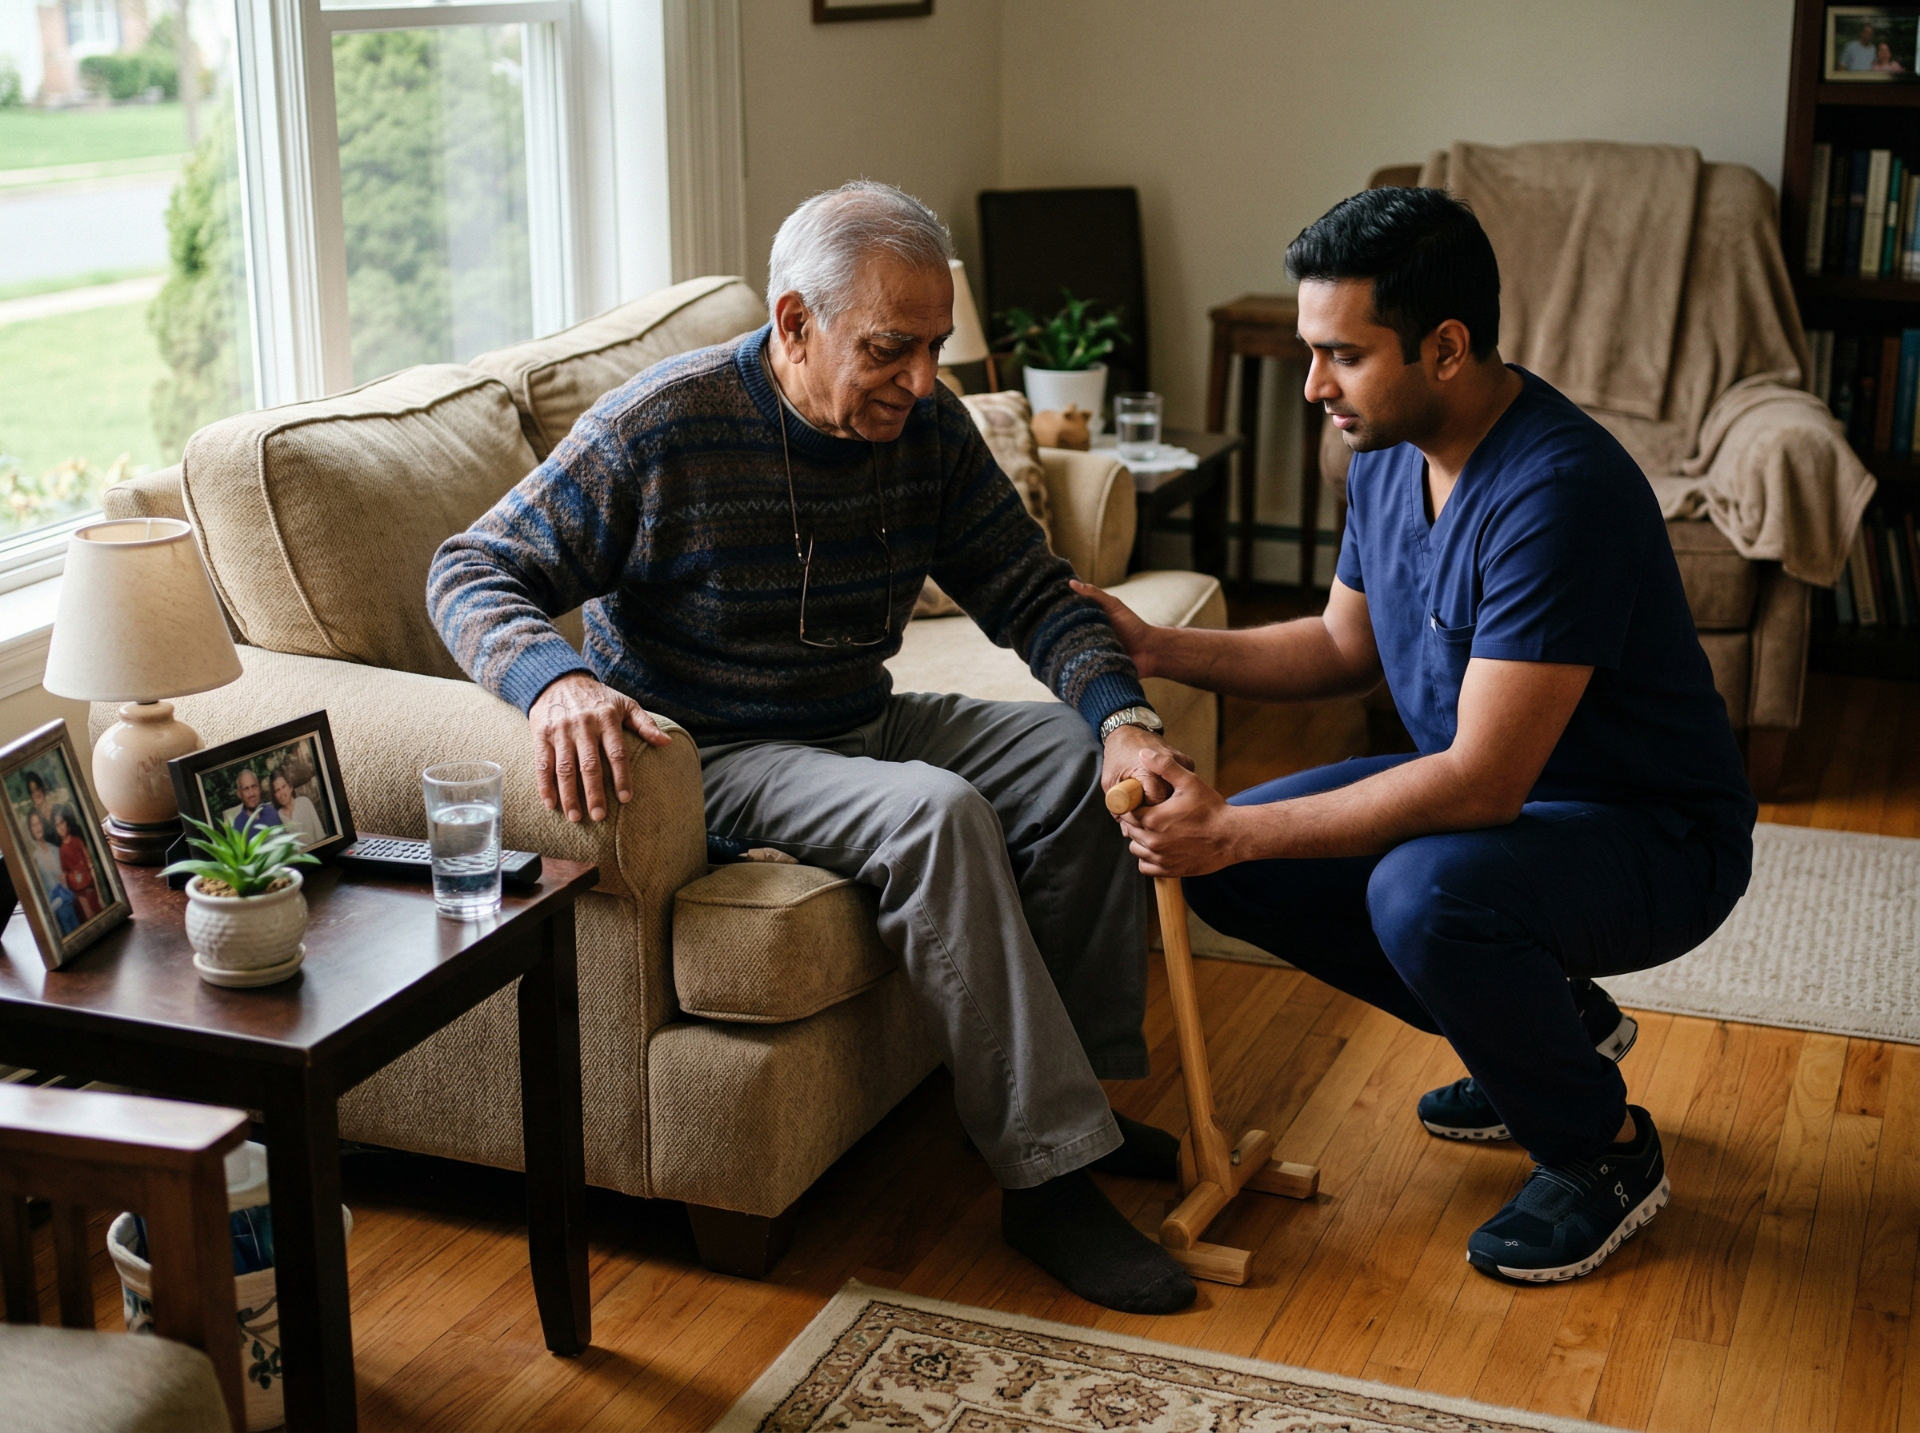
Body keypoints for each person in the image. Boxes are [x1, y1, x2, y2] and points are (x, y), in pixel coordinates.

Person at [429, 181, 1198, 1314]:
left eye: (934, 346)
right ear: (794, 323)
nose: (925, 381)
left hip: (856, 711)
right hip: (718, 748)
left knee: (1074, 760)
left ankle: (1071, 1089)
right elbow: (470, 566)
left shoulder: (925, 429)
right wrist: (557, 683)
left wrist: (1126, 717)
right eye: (891, 348)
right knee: (936, 811)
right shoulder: (665, 424)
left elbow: (1034, 592)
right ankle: (1050, 1178)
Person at [1075, 187, 1755, 1285]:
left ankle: (1604, 1149)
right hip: (1503, 806)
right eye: (1310, 350)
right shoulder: (1387, 449)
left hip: (1649, 833)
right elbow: (1347, 643)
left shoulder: (1557, 491)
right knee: (1238, 864)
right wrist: (1158, 647)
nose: (1312, 386)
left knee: (1418, 892)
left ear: (1446, 347)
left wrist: (1235, 834)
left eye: (1342, 354)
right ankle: (1551, 1027)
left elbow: (1483, 781)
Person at [26, 809, 78, 935]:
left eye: (39, 823)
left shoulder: (55, 850)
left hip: (69, 904)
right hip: (54, 913)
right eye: (34, 825)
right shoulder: (34, 859)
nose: (37, 827)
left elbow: (65, 877)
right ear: (31, 829)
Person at [54, 807, 103, 923]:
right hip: (77, 890)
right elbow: (65, 872)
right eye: (57, 825)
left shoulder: (77, 841)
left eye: (62, 822)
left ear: (67, 823)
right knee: (88, 916)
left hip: (90, 884)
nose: (61, 827)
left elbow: (90, 864)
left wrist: (100, 894)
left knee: (98, 910)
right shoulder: (61, 850)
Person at [271, 768, 326, 849]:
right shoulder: (277, 817)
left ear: (290, 787)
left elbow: (320, 834)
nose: (282, 793)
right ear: (275, 795)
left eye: (284, 787)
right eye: (277, 790)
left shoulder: (304, 802)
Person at [222, 768, 282, 835]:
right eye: (246, 789)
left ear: (259, 788)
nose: (251, 794)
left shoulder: (271, 811)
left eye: (254, 787)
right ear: (239, 794)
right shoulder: (238, 825)